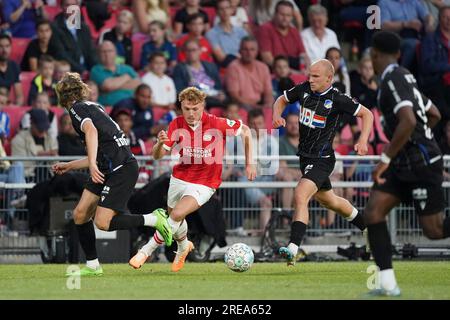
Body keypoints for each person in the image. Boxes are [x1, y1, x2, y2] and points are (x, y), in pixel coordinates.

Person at [52, 72, 173, 277]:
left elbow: (91, 133)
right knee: (80, 214)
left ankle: (154, 219)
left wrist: (91, 164)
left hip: (120, 169)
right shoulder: (94, 106)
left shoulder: (76, 110)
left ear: (62, 96)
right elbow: (101, 151)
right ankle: (93, 265)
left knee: (102, 222)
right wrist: (71, 165)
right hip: (109, 167)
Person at [128, 86, 256, 272]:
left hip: (206, 183)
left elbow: (245, 131)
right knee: (176, 219)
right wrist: (159, 144)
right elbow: (158, 156)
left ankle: (146, 251)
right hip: (179, 178)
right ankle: (183, 248)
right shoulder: (176, 124)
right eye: (186, 109)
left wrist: (249, 163)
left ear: (203, 106)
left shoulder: (216, 123)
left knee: (176, 214)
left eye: (195, 109)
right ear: (181, 107)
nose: (190, 113)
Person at [365, 31, 450, 296]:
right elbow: (433, 113)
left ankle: (387, 284)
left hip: (419, 164)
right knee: (373, 213)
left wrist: (387, 157)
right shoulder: (406, 77)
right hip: (407, 163)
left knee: (434, 231)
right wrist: (416, 143)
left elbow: (409, 121)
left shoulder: (392, 77)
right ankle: (388, 285)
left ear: (374, 54)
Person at [272, 59, 374, 266]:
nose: (310, 79)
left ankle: (293, 248)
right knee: (330, 201)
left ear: (329, 78)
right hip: (305, 157)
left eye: (315, 76)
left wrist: (362, 140)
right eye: (309, 75)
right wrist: (276, 115)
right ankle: (368, 228)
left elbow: (367, 114)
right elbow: (281, 100)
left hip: (322, 159)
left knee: (300, 194)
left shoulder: (338, 99)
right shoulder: (303, 89)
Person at [0, 34, 24, 106]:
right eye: (1, 46)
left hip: (7, 104)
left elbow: (19, 96)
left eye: (7, 46)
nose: (4, 50)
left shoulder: (14, 66)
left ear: (10, 48)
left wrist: (16, 107)